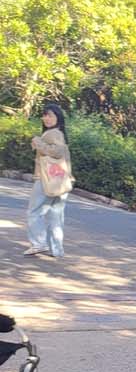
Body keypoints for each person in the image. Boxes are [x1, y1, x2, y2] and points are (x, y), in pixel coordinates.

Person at [25, 103, 74, 259]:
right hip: (60, 181)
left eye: (50, 115)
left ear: (58, 117)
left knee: (34, 212)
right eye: (45, 115)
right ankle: (56, 249)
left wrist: (38, 143)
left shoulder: (53, 133)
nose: (46, 118)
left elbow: (57, 152)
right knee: (56, 215)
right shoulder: (60, 133)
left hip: (46, 180)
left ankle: (39, 243)